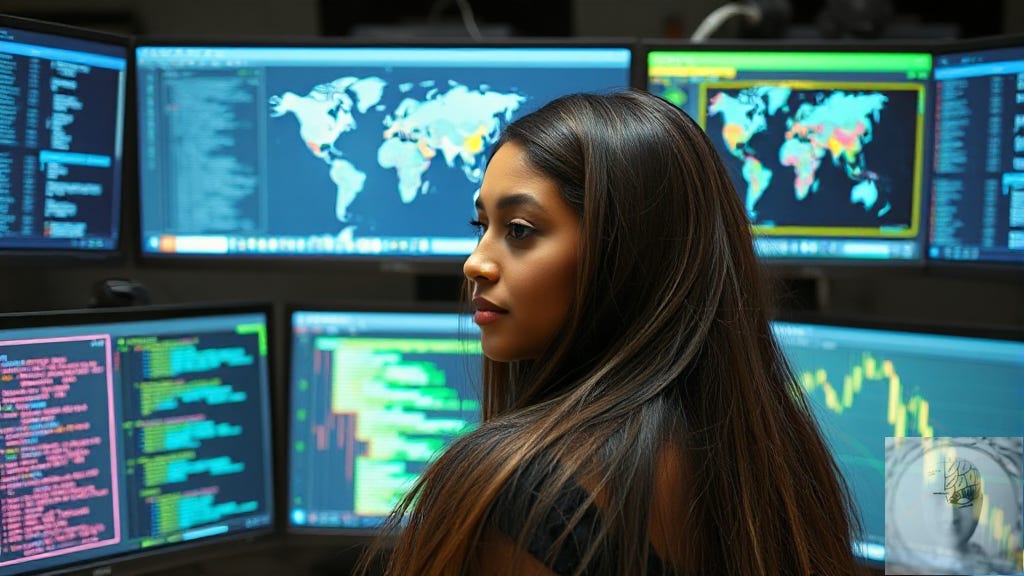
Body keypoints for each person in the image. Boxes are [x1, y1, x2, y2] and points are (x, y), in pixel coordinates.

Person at [360, 89, 860, 575]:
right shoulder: (788, 465)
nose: (475, 264)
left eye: (518, 230)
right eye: (480, 226)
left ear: (623, 254)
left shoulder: (517, 492)